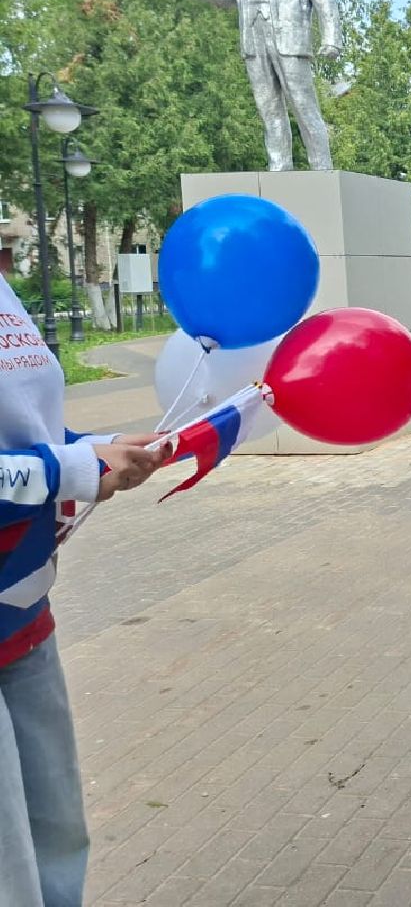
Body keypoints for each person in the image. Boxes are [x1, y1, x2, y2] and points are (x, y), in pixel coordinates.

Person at [1, 274, 172, 906]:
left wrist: (96, 447)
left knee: (57, 835)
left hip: (21, 616)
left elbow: (23, 429)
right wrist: (74, 469)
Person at [169, 0, 340, 172]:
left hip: (289, 40)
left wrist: (331, 38)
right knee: (268, 109)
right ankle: (279, 167)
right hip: (254, 39)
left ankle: (322, 168)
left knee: (303, 106)